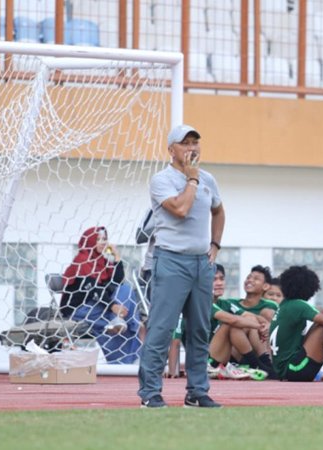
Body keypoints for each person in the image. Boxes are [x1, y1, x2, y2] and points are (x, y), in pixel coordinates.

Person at [138, 124, 225, 409]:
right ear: (171, 149)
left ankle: (197, 392)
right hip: (171, 260)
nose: (192, 148)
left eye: (195, 143)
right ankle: (150, 393)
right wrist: (191, 180)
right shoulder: (161, 180)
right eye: (185, 143)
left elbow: (219, 210)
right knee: (161, 329)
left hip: (202, 263)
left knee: (199, 330)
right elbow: (181, 208)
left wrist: (214, 246)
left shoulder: (208, 179)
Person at [61, 226, 141, 364]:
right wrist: (112, 306)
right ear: (89, 241)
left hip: (98, 305)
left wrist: (116, 257)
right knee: (124, 319)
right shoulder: (82, 260)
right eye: (98, 239)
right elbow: (93, 289)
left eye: (104, 239)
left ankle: (118, 322)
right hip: (80, 309)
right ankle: (127, 330)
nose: (103, 242)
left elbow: (117, 282)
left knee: (126, 289)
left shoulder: (102, 261)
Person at [207, 264, 273, 380]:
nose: (219, 283)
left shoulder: (225, 303)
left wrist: (266, 324)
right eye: (214, 279)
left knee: (248, 320)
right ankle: (257, 364)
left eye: (221, 279)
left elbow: (249, 316)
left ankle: (264, 364)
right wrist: (259, 327)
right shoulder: (203, 303)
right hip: (206, 360)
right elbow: (233, 320)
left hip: (222, 354)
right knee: (232, 323)